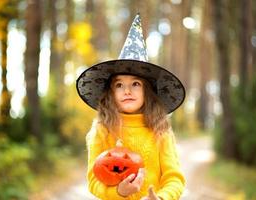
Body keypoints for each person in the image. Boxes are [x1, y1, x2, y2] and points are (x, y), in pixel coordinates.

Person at [76, 14, 186, 200]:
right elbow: (94, 181)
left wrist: (161, 198)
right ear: (111, 93)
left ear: (147, 91)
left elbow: (174, 177)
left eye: (135, 84)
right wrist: (119, 193)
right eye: (119, 85)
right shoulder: (102, 130)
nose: (127, 90)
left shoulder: (161, 129)